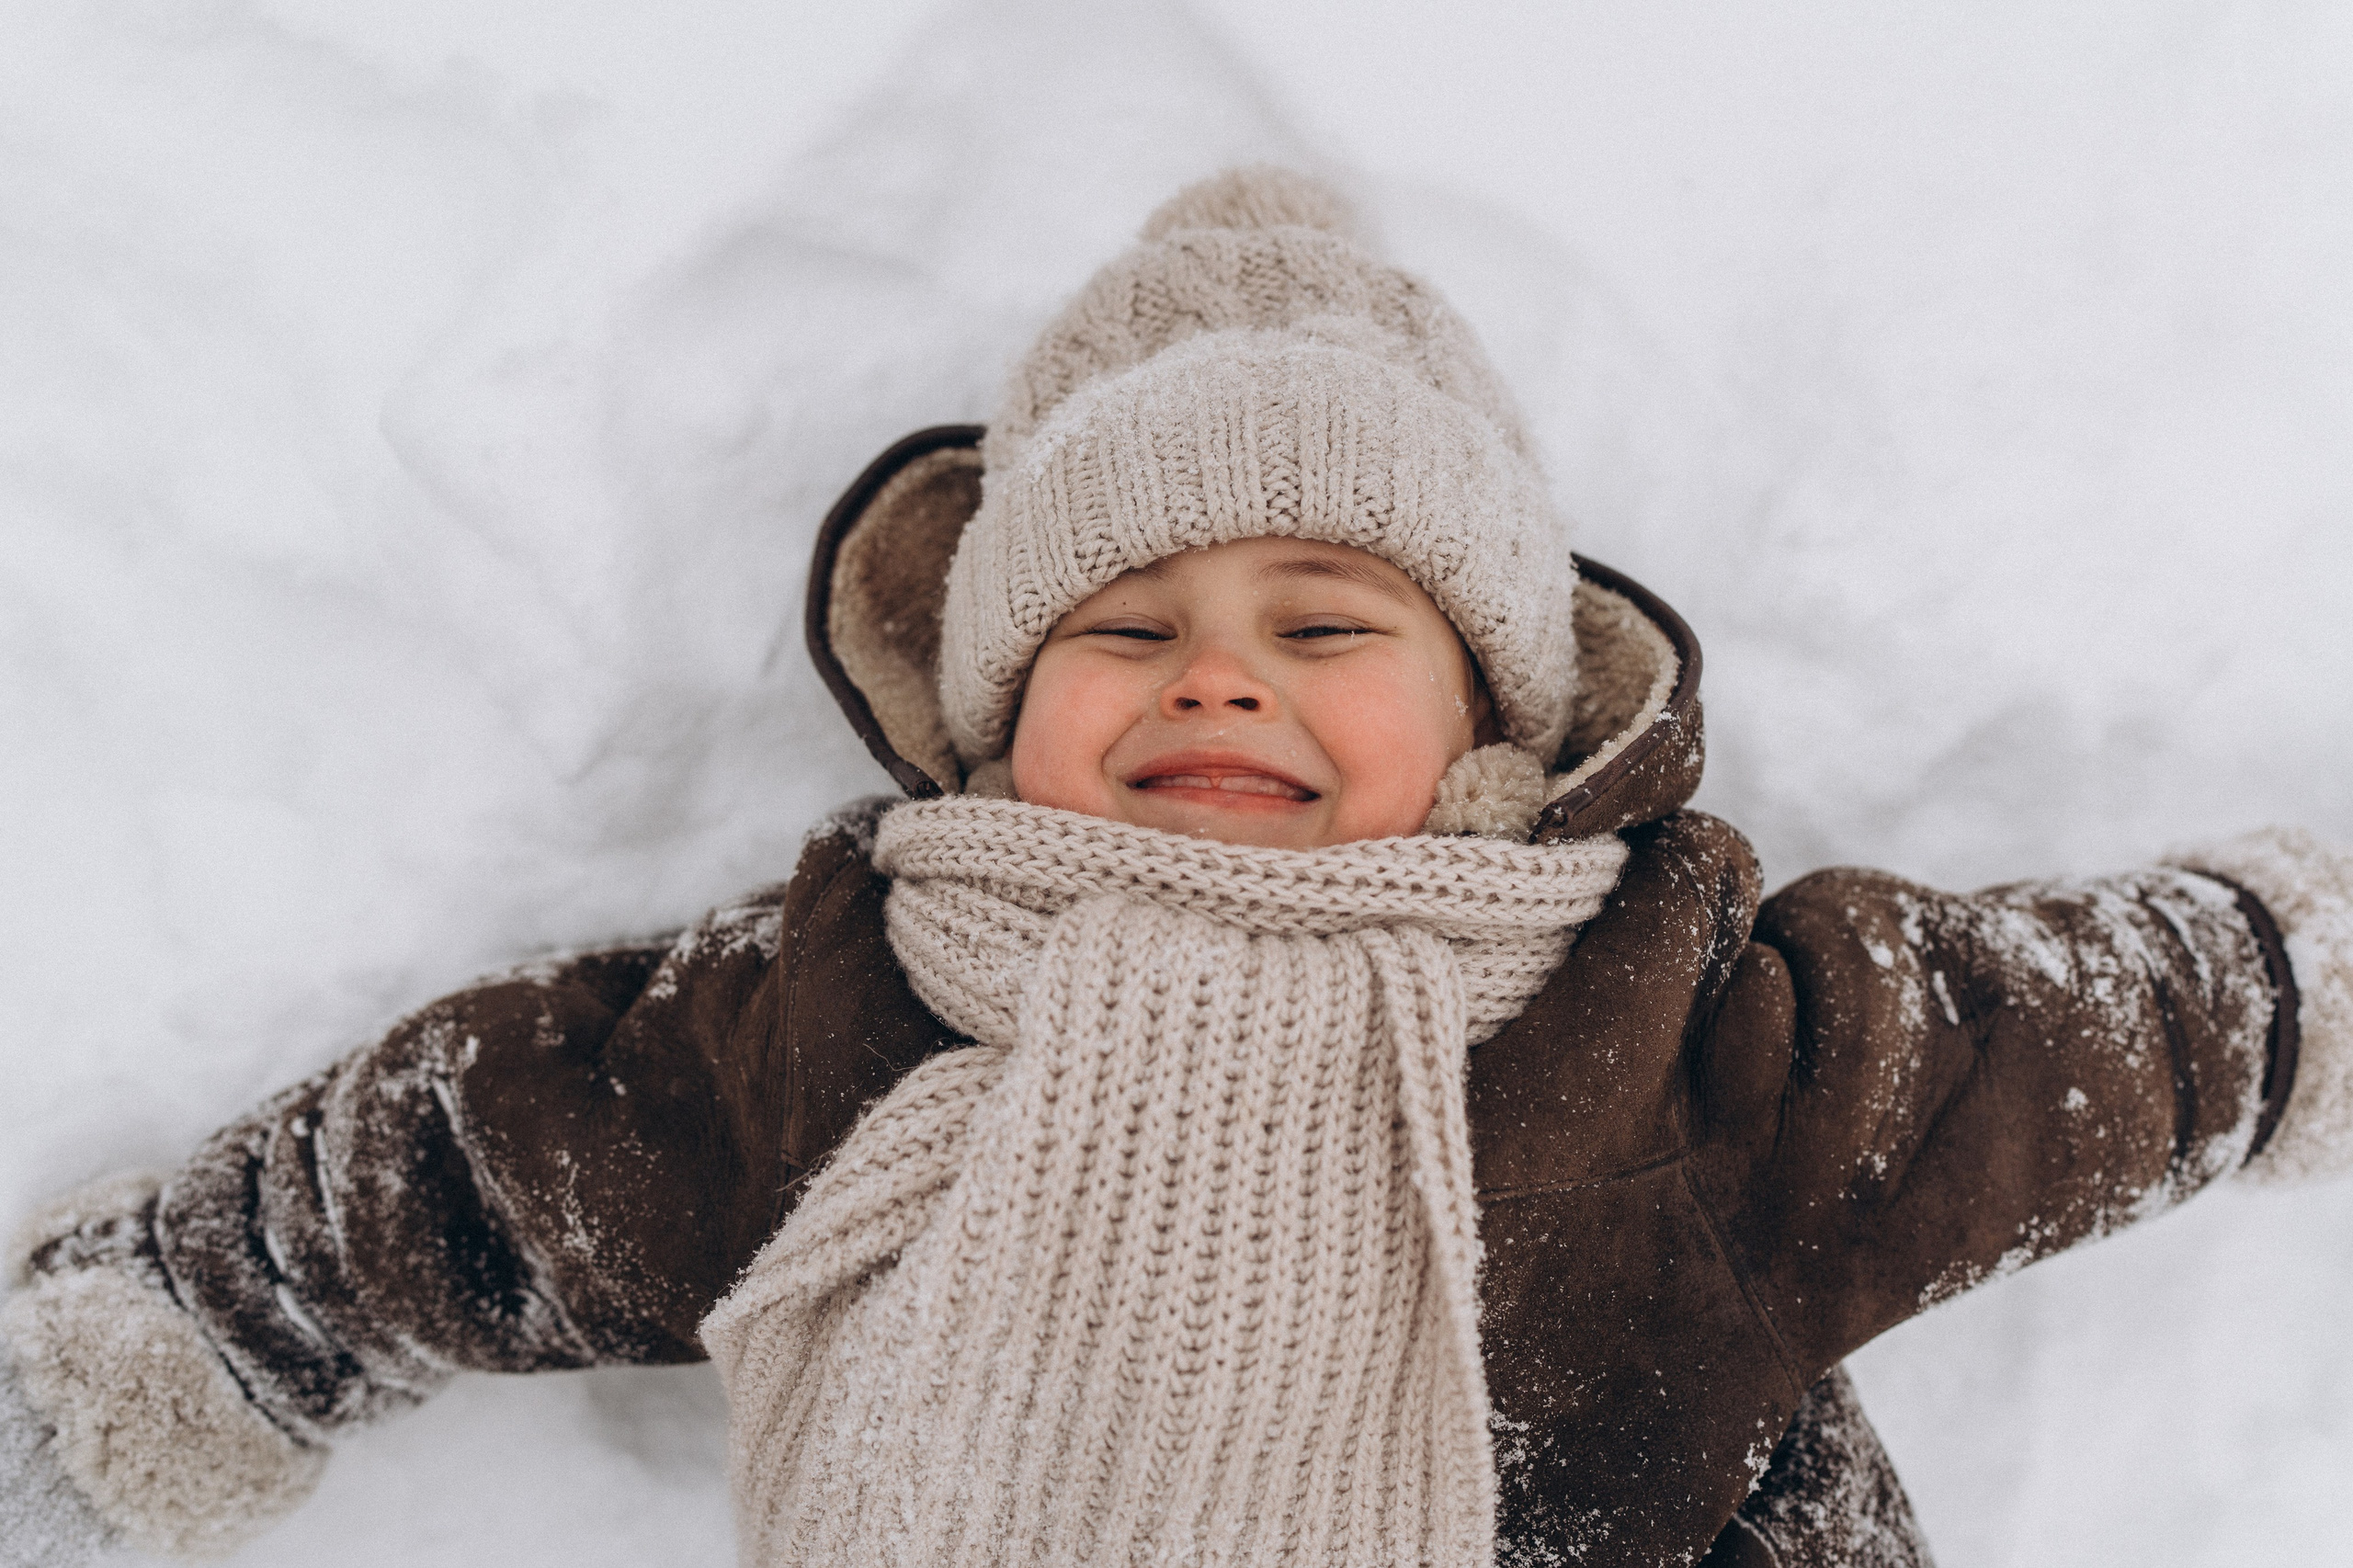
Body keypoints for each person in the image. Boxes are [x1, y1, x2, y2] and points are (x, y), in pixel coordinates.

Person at [3, 166, 2346, 1568]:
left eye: (1324, 630)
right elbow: (490, 1166)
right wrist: (223, 1318)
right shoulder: (857, 1011)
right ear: (991, 718)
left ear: (1506, 725)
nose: (1216, 682)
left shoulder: (1672, 1032)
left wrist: (2296, 989)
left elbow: (2066, 1052)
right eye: (1121, 635)